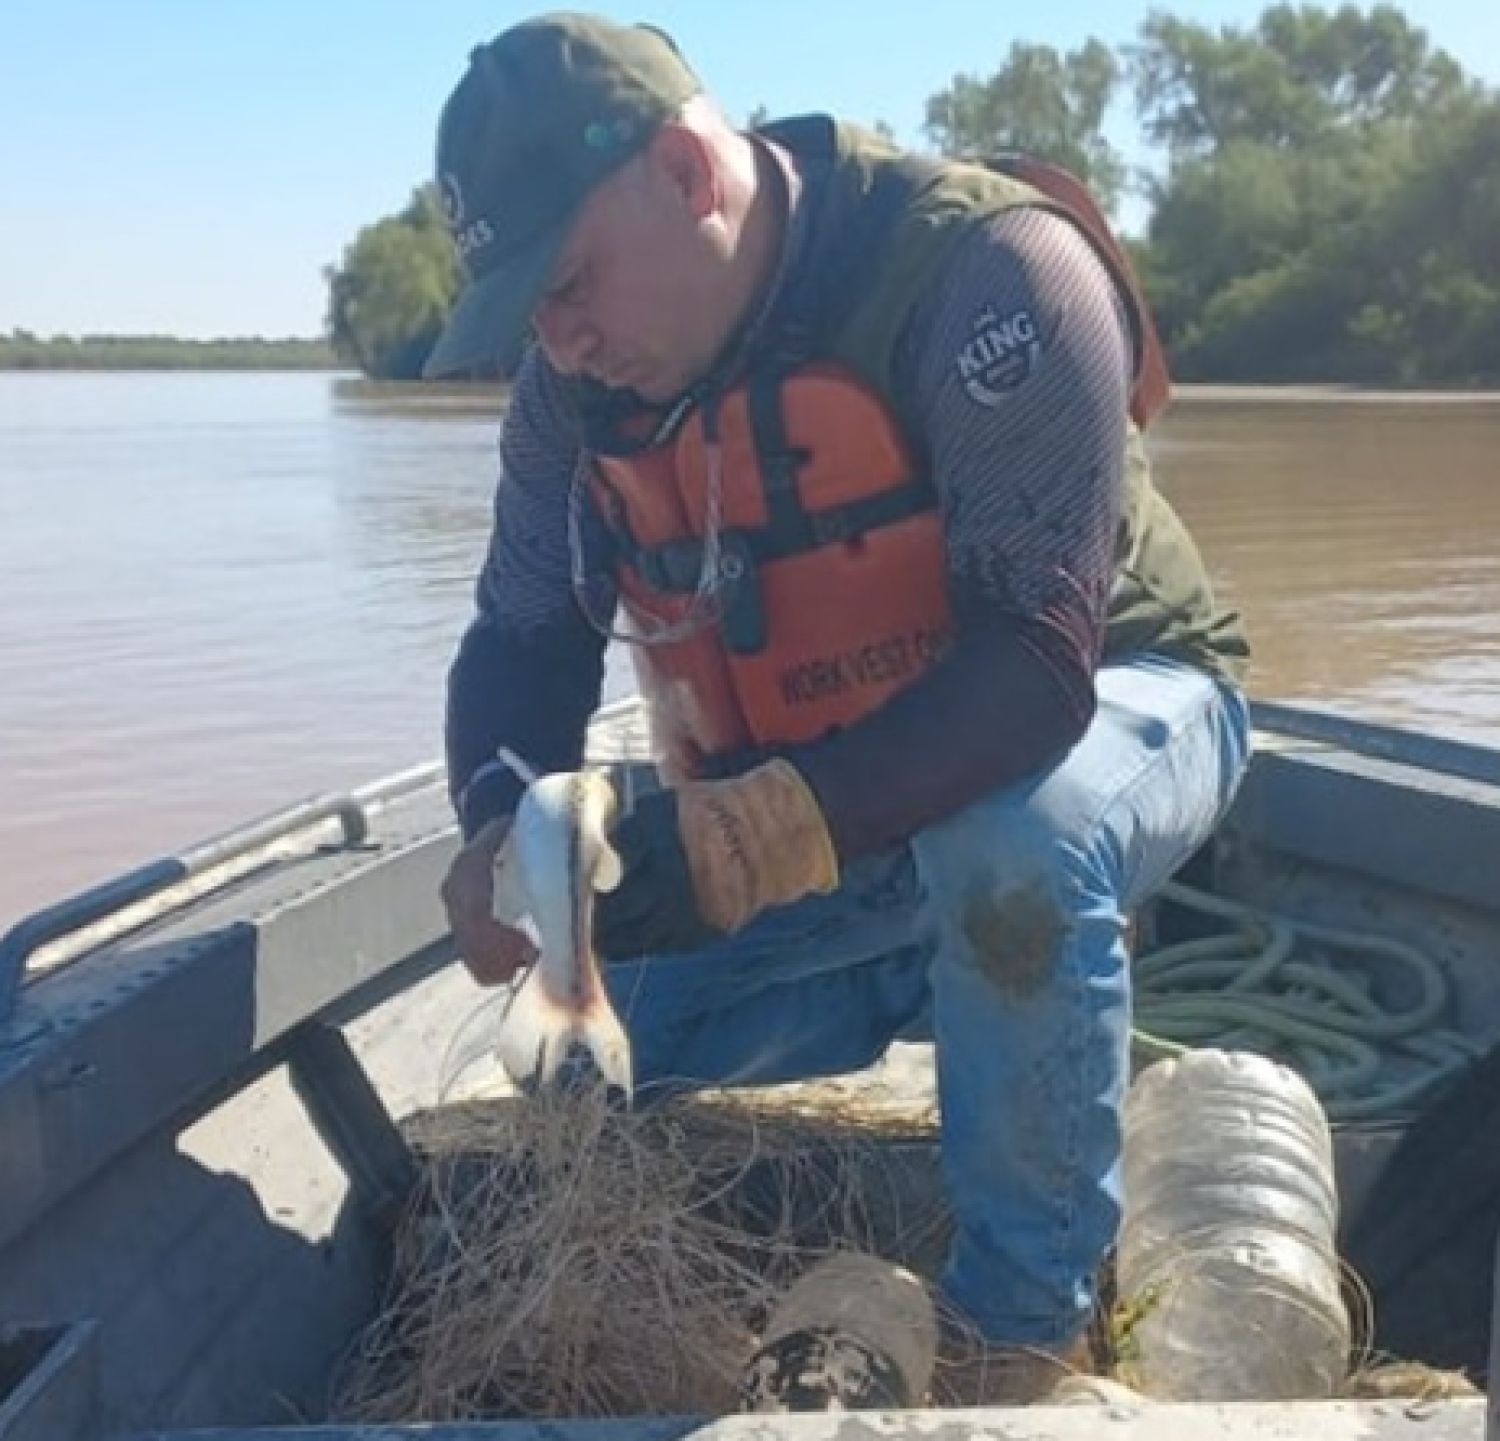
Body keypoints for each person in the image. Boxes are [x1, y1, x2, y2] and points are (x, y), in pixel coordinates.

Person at [431, 11, 1251, 1400]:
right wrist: (502, 824)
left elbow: (1037, 668)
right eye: (527, 312)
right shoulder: (569, 388)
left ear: (690, 176)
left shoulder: (991, 275)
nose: (558, 343)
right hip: (839, 787)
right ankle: (931, 978)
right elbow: (521, 638)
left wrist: (761, 834)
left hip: (1116, 707)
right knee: (600, 1049)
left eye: (568, 283)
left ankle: (1021, 1329)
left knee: (1012, 852)